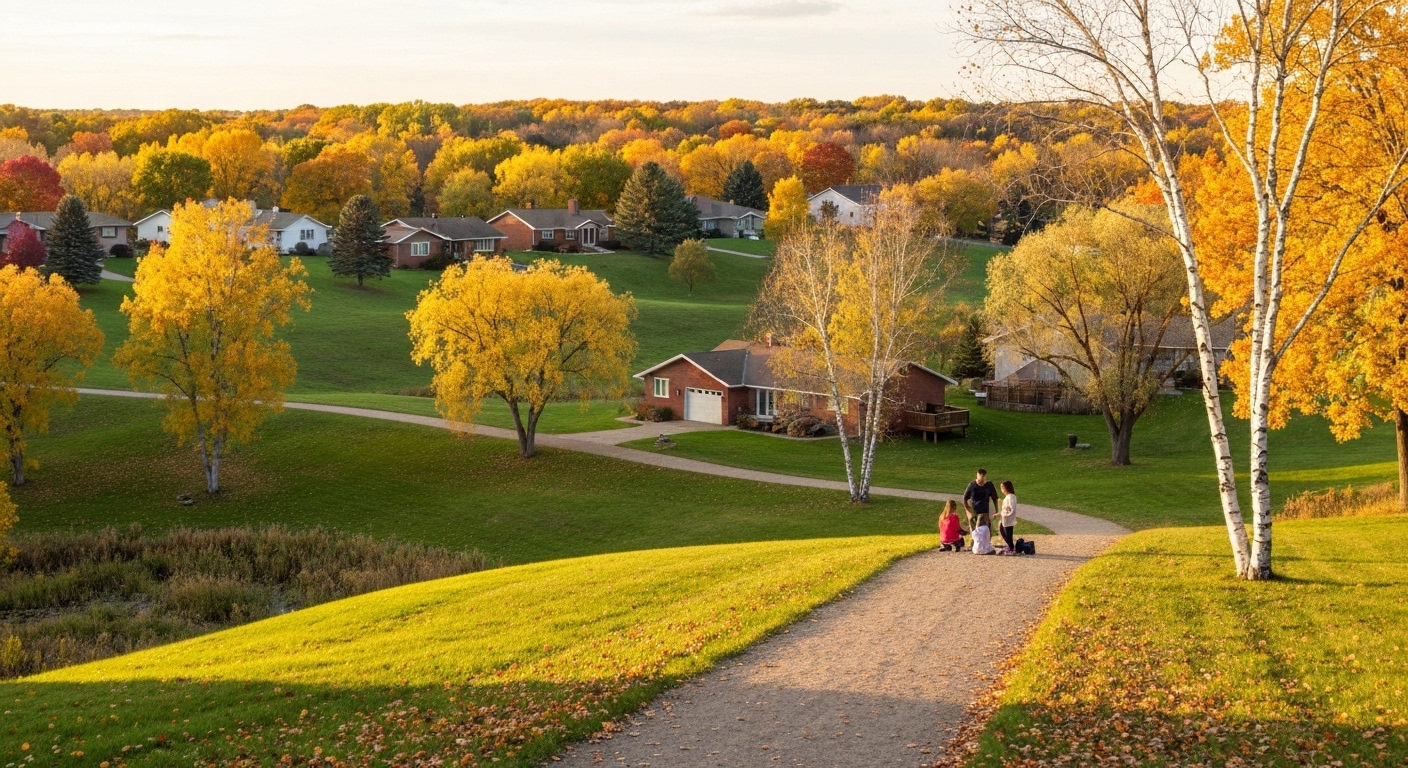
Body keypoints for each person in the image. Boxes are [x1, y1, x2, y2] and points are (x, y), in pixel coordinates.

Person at [998, 480, 1018, 554]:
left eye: (1002, 487)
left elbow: (1011, 509)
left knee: (1008, 533)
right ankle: (1010, 546)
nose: (1001, 489)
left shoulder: (1011, 497)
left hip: (1008, 518)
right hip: (1005, 517)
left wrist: (1005, 514)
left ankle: (1011, 547)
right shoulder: (1008, 497)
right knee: (1002, 529)